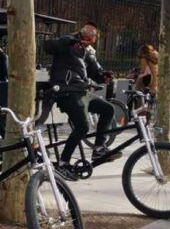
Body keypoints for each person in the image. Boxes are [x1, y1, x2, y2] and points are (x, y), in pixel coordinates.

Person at [44, 22, 119, 181]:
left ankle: (99, 148)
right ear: (81, 31)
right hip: (66, 91)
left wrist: (104, 76)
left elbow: (96, 72)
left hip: (82, 91)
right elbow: (48, 47)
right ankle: (62, 164)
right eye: (87, 30)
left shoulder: (88, 52)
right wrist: (68, 42)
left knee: (108, 109)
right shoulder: (68, 42)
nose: (90, 34)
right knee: (82, 127)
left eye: (94, 32)